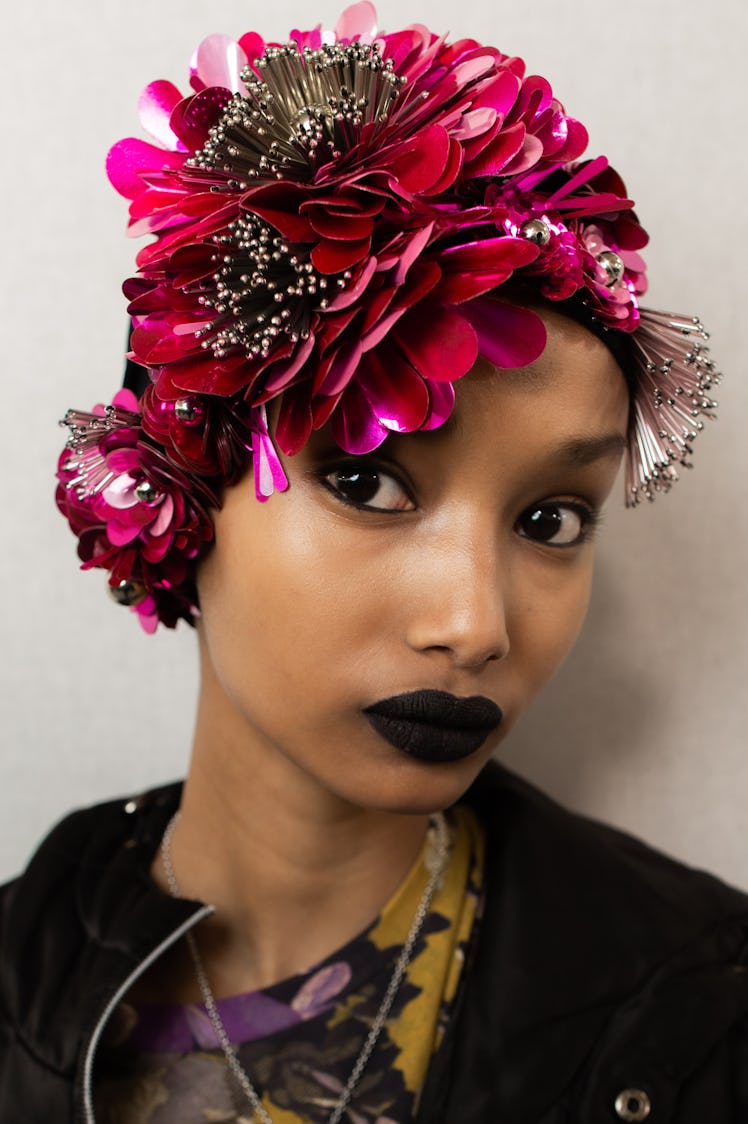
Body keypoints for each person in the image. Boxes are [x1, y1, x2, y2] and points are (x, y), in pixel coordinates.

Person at [2, 5, 747, 1121]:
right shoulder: (19, 979)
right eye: (364, 480)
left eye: (550, 518)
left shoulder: (706, 1014)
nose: (473, 623)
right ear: (179, 489)